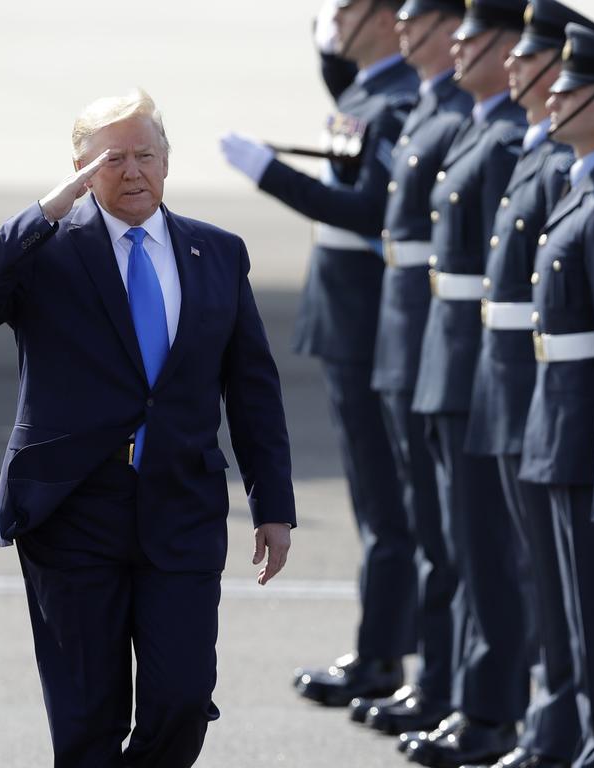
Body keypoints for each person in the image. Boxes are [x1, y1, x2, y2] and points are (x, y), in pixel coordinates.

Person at [0, 90, 296, 768]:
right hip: (71, 508)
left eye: (146, 155)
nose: (133, 172)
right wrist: (47, 210)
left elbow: (252, 387)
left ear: (167, 161)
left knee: (182, 698)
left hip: (181, 504)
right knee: (86, 715)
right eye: (112, 159)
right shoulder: (45, 251)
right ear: (80, 170)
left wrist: (273, 506)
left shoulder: (217, 252)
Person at [221, 0, 421, 709]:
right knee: (377, 501)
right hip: (347, 316)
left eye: (345, 8)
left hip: (372, 318)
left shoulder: (398, 97)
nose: (333, 18)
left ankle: (384, 655)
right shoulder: (369, 88)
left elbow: (367, 208)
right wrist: (324, 44)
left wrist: (268, 173)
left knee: (387, 503)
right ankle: (386, 648)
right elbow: (340, 89)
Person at [461, 5, 594, 768]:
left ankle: (571, 729)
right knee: (547, 583)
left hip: (556, 393)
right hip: (521, 382)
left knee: (574, 588)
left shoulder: (566, 166)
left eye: (532, 61)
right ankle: (554, 725)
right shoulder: (545, 154)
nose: (519, 73)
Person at [402, 1, 530, 765]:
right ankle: (468, 699)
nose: (457, 45)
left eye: (473, 37)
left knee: (487, 552)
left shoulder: (506, 139)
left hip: (481, 368)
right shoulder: (481, 126)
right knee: (459, 543)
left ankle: (492, 712)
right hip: (448, 358)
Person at [517, 23, 594, 768]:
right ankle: (573, 736)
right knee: (566, 606)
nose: (549, 100)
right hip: (553, 412)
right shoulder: (584, 186)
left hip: (588, 426)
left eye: (567, 90)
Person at [355, 0, 471, 739]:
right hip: (416, 334)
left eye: (422, 24)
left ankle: (458, 687)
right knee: (432, 526)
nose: (403, 35)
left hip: (448, 340)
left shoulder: (460, 118)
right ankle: (439, 679)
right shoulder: (432, 109)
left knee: (458, 535)